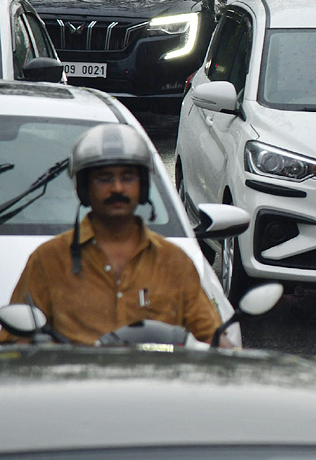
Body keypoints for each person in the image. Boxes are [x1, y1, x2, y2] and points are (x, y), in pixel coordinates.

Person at [2, 124, 223, 345]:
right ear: (84, 188)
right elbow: (15, 345)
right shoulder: (48, 260)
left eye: (127, 177)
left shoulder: (175, 262)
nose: (117, 188)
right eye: (105, 178)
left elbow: (213, 342)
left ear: (143, 186)